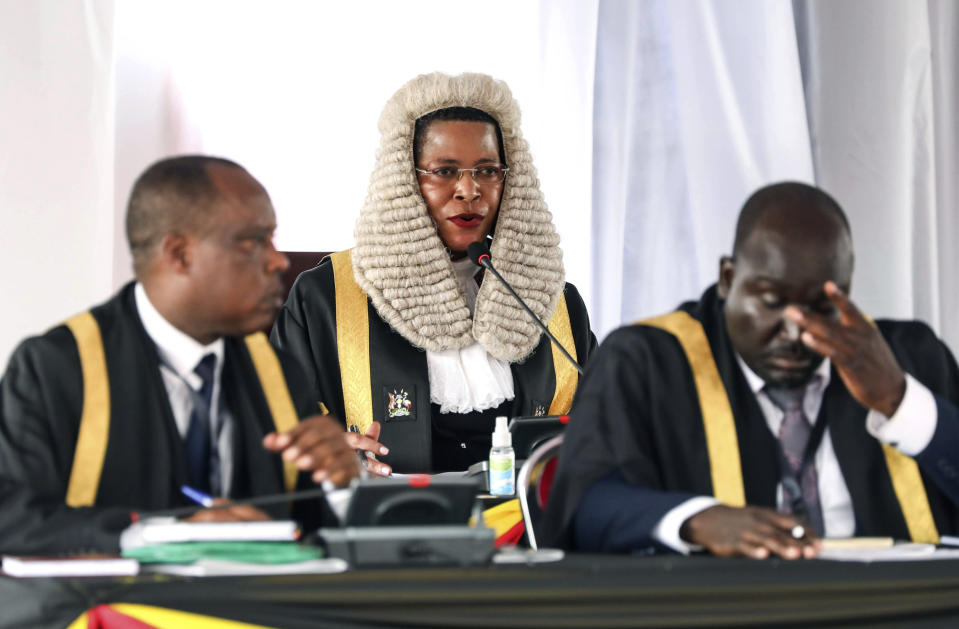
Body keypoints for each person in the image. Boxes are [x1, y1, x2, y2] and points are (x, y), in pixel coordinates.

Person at [544, 182, 959, 559]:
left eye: (821, 307)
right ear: (728, 278)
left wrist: (900, 402)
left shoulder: (908, 358)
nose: (796, 331)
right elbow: (585, 506)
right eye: (773, 301)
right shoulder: (647, 362)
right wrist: (697, 519)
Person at [0, 156, 362, 555]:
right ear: (179, 254)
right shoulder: (55, 368)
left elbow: (309, 531)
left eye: (272, 239)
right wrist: (156, 535)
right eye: (252, 242)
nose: (277, 260)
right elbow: (13, 518)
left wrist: (339, 484)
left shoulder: (278, 372)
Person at [272, 72, 595, 473]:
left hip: (523, 527)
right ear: (405, 180)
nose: (469, 191)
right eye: (444, 171)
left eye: (488, 170)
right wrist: (330, 452)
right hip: (386, 522)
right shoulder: (324, 295)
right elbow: (275, 422)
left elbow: (598, 424)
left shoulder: (552, 300)